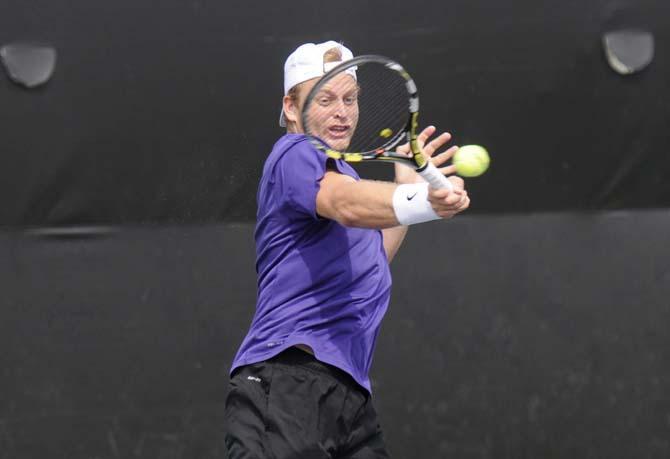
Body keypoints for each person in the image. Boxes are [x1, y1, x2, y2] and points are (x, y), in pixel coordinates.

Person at [224, 41, 469, 458]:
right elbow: (345, 204)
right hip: (287, 381)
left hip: (350, 399)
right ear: (290, 107)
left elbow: (369, 260)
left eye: (350, 99)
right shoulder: (296, 154)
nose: (342, 111)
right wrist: (426, 204)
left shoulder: (347, 178)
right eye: (325, 99)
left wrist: (409, 182)